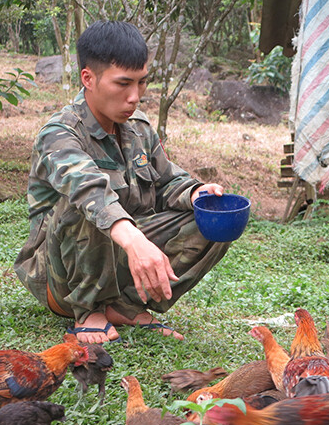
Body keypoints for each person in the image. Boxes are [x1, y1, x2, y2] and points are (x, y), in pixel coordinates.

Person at [15, 20, 229, 344]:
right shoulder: (59, 134)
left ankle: (125, 305)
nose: (135, 97)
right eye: (123, 84)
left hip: (119, 256)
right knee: (90, 204)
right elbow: (87, 189)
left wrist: (197, 193)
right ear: (88, 78)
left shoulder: (139, 128)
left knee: (215, 219)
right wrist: (135, 242)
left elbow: (165, 182)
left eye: (142, 83)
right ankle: (88, 310)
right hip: (60, 276)